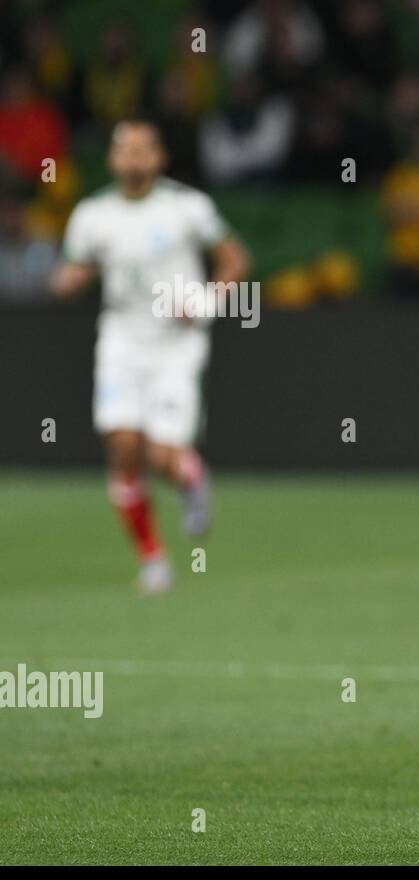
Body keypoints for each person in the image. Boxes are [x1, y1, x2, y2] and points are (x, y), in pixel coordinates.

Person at [50, 119, 251, 594]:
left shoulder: (187, 207)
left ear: (159, 158)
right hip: (121, 337)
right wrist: (67, 282)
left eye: (144, 151)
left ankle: (190, 478)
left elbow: (235, 258)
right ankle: (153, 559)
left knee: (162, 456)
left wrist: (208, 300)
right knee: (122, 448)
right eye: (125, 151)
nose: (134, 159)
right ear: (112, 159)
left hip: (176, 344)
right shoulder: (92, 214)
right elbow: (71, 271)